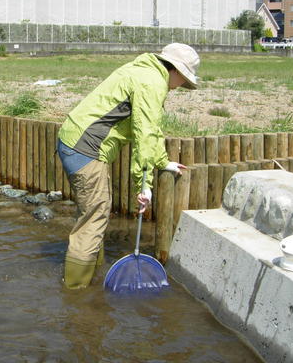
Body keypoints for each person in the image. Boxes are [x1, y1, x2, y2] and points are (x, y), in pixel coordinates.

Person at [56, 43, 200, 289]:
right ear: (175, 70)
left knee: (92, 213)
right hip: (86, 149)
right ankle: (75, 294)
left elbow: (149, 131)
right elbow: (144, 134)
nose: (180, 86)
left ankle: (91, 275)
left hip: (73, 142)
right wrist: (144, 186)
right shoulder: (152, 83)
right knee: (95, 215)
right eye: (183, 80)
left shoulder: (142, 70)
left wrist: (163, 162)